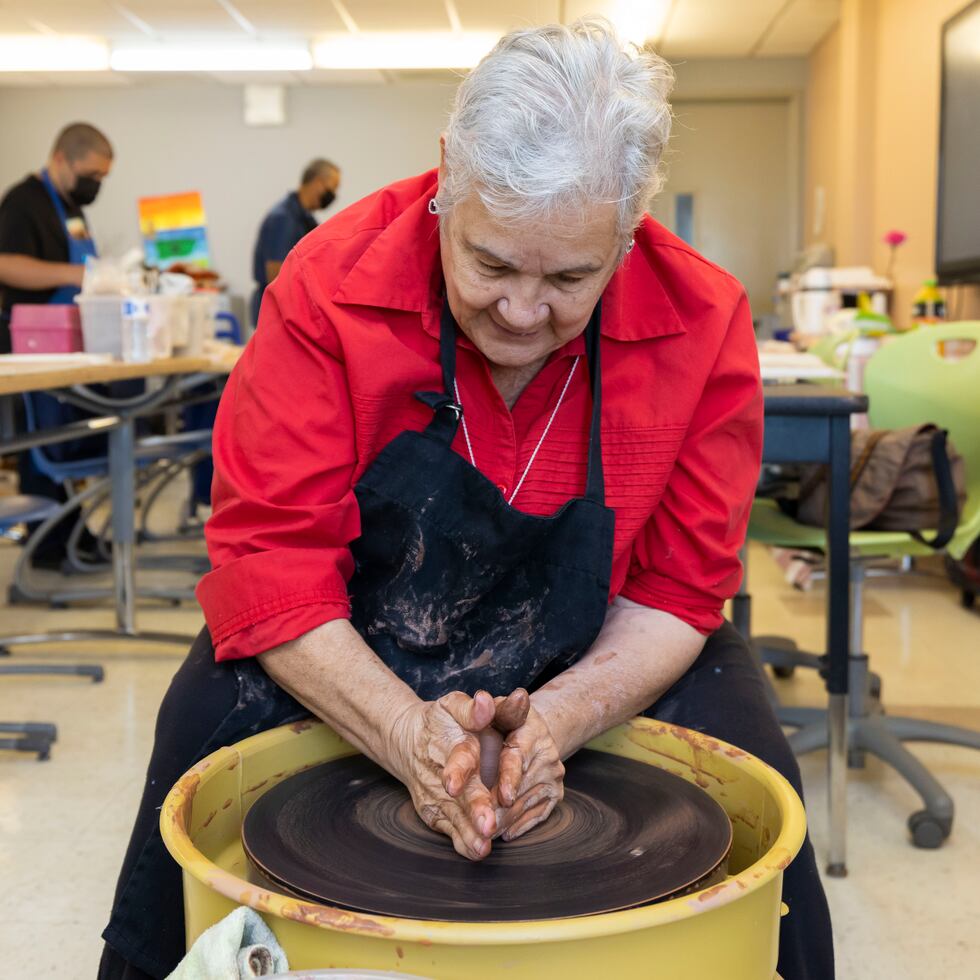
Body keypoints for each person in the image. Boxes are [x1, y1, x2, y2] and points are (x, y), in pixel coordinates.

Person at [100, 21, 833, 980]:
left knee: (765, 797)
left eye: (573, 277)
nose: (525, 313)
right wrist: (407, 733)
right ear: (449, 176)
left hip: (603, 633)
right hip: (346, 635)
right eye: (489, 264)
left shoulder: (703, 318)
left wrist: (560, 721)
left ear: (629, 227)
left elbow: (680, 588)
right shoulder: (328, 289)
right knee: (199, 727)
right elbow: (269, 568)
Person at [0, 122, 114, 567]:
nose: (96, 185)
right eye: (91, 175)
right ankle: (45, 543)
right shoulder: (23, 201)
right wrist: (72, 276)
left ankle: (70, 531)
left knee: (70, 442)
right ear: (62, 158)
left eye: (103, 178)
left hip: (69, 339)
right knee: (42, 444)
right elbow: (5, 263)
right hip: (30, 343)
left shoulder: (70, 207)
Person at [249, 157, 341, 325]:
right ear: (319, 183)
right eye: (332, 188)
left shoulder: (305, 219)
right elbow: (274, 275)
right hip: (276, 315)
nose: (333, 196)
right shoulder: (284, 218)